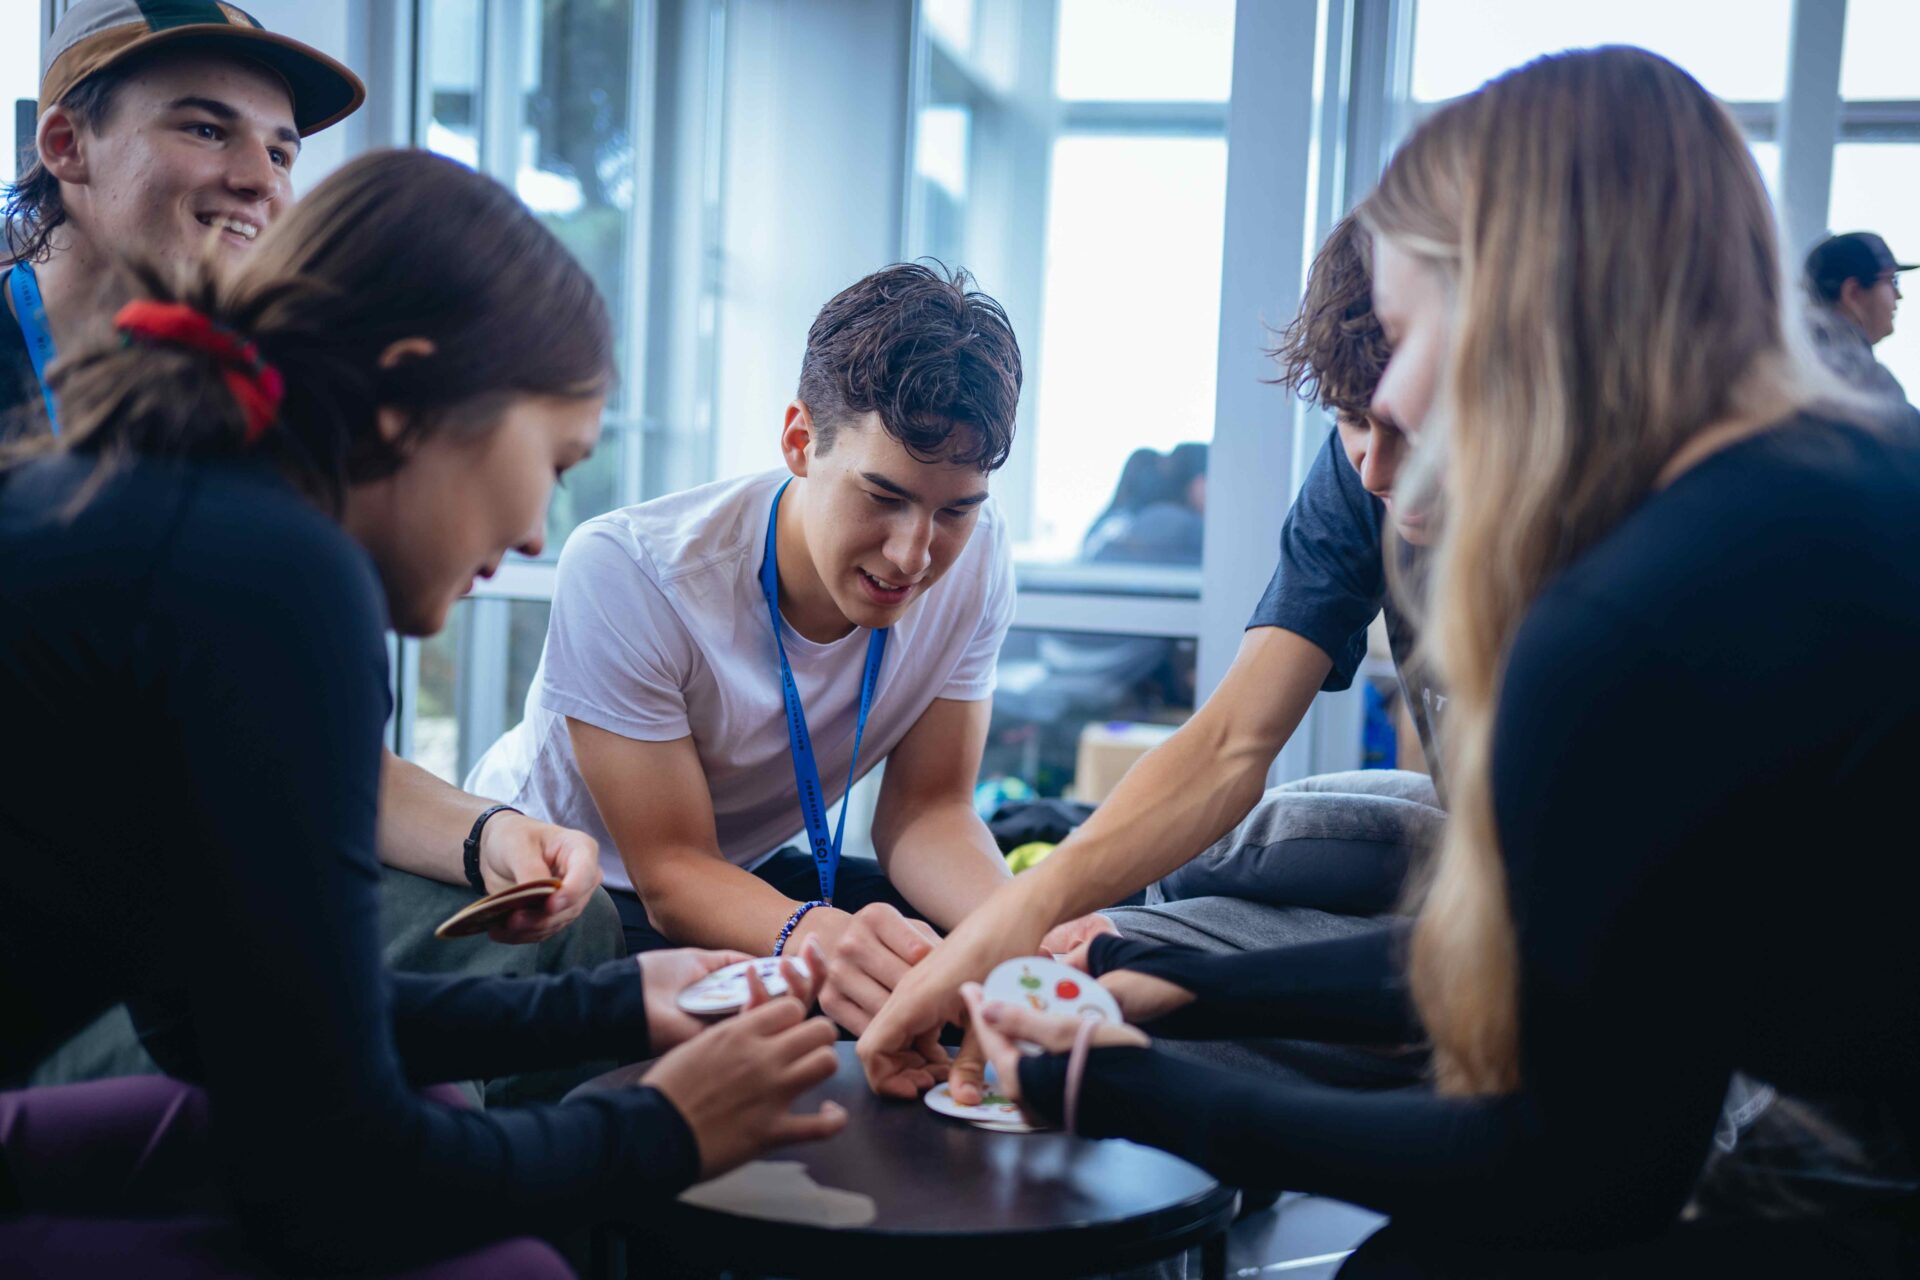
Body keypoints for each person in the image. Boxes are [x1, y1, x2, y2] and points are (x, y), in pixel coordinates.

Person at [959, 46, 1920, 1270]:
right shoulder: (1854, 478)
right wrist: (1161, 968)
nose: (1386, 399)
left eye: (1405, 334)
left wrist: (1127, 1088)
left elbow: (1588, 1162)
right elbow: (1520, 967)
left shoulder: (1634, 624)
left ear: (1518, 314)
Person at [0, 148, 847, 1276]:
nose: (545, 531)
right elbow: (332, 1183)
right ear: (406, 399)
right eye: (554, 459)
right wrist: (664, 1126)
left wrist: (618, 1001)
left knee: (442, 1112)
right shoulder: (276, 576)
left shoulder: (183, 513)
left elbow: (215, 1024)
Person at [3, 0, 623, 1097]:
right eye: (205, 129)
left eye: (283, 148)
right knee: (397, 1078)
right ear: (65, 146)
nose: (261, 177)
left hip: (154, 926)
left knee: (576, 928)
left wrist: (492, 833)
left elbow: (264, 719)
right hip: (66, 939)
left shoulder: (225, 426)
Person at [862, 213, 1446, 1102]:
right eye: (1349, 421)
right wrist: (1022, 922)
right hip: (1475, 847)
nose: (1372, 470)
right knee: (1151, 920)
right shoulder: (1357, 479)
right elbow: (1229, 746)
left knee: (1134, 1010)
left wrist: (1185, 989)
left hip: (1568, 919)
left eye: (1407, 427)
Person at [466, 262, 1021, 1061]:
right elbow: (669, 872)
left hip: (744, 875)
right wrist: (812, 936)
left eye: (956, 510)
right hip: (575, 890)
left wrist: (1016, 935)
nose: (913, 555)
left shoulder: (976, 558)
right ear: (799, 441)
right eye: (883, 497)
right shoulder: (634, 570)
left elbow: (930, 809)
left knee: (953, 971)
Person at [1803, 231, 1913, 411]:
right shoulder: (1866, 380)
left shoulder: (1779, 357)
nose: (1899, 295)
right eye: (1892, 281)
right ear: (1852, 293)